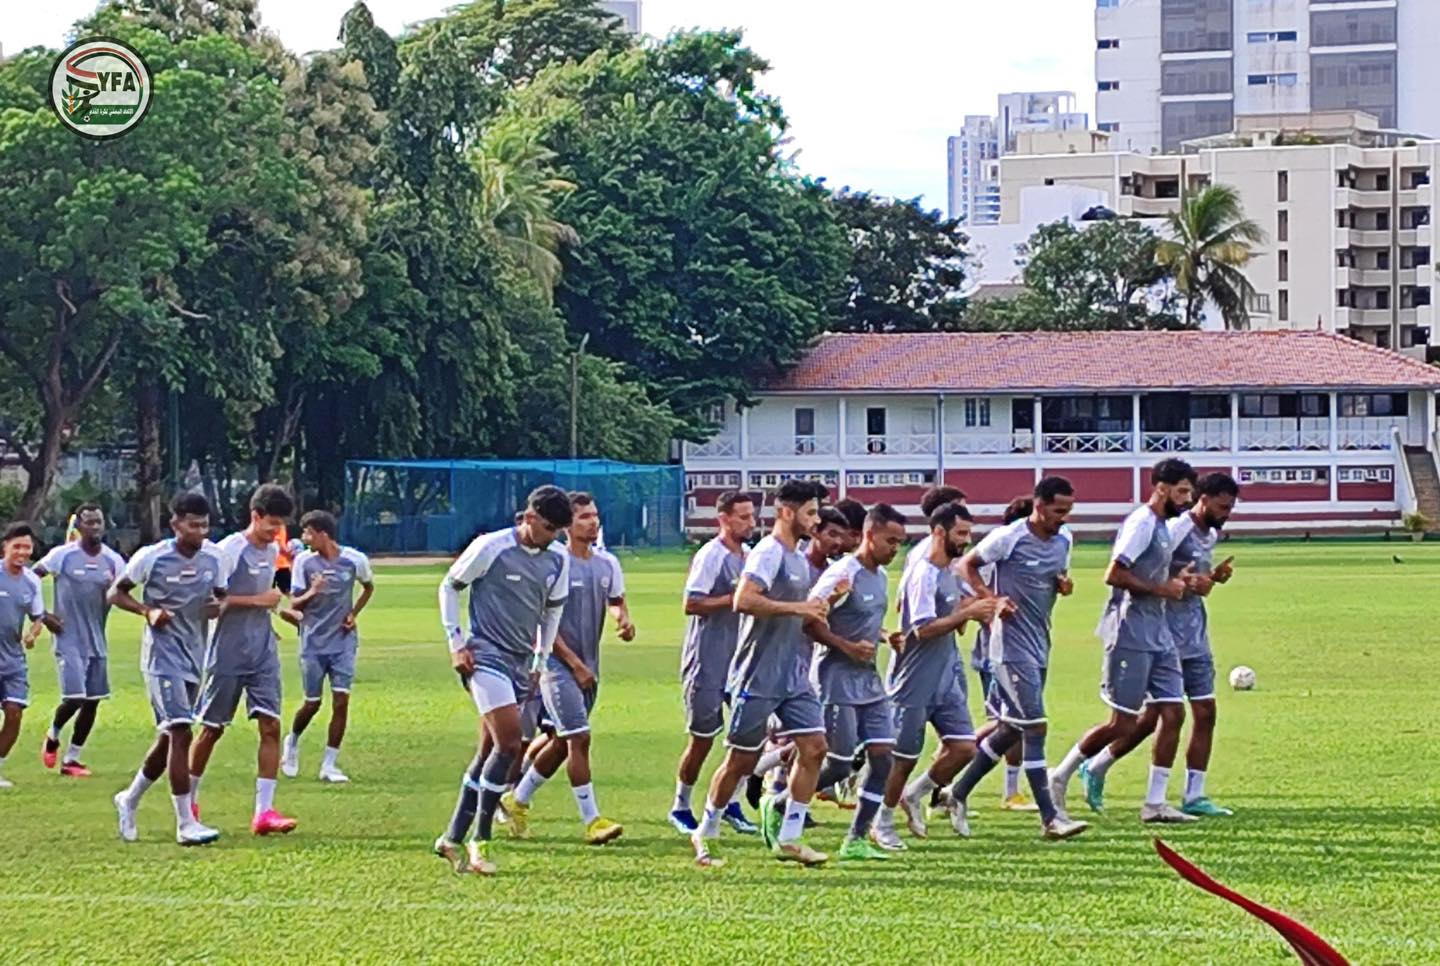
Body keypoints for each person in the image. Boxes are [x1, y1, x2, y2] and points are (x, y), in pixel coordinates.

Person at [1071, 472, 1240, 819]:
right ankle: (1098, 767)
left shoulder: (1209, 532)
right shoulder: (1175, 527)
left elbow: (1191, 581)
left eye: (1231, 508)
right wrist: (1182, 583)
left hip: (1194, 632)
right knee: (1150, 719)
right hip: (1162, 632)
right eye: (1222, 507)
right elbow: (1156, 574)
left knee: (1205, 712)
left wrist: (1209, 581)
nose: (1226, 514)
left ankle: (1194, 794)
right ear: (1202, 499)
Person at [689, 479, 832, 868]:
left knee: (815, 747)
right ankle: (706, 830)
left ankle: (790, 836)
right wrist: (797, 609)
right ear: (787, 512)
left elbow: (799, 612)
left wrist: (819, 608)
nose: (815, 520)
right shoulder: (768, 553)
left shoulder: (800, 559)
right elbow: (743, 600)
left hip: (793, 677)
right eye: (810, 512)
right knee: (740, 762)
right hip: (757, 675)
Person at [1049, 458, 1199, 824]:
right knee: (1123, 725)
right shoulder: (1142, 523)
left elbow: (1153, 574)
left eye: (1190, 491)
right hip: (1129, 632)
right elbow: (1114, 573)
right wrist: (1160, 587)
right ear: (1161, 487)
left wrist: (1179, 580)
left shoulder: (1164, 526)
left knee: (1174, 711)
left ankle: (1155, 803)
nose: (1188, 498)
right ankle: (1060, 775)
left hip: (1158, 632)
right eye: (1182, 490)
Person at [434, 485, 572, 876]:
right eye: (547, 528)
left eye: (558, 531)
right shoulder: (491, 547)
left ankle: (450, 838)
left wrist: (540, 662)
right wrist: (456, 642)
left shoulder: (557, 559)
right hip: (484, 654)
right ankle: (481, 841)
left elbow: (552, 613)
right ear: (529, 519)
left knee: (488, 754)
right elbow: (450, 586)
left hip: (519, 662)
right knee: (510, 742)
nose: (553, 537)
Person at [947, 477, 1089, 840]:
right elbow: (965, 565)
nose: (1064, 518)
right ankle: (1051, 819)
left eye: (1068, 511)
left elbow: (1056, 574)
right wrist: (990, 599)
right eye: (1059, 511)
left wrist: (1063, 583)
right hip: (1007, 646)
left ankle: (957, 794)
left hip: (1040, 641)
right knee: (1035, 727)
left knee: (1009, 729)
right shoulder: (1009, 537)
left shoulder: (1064, 539)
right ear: (1039, 506)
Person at [503, 493, 634, 844]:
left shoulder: (607, 563)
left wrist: (623, 620)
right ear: (567, 526)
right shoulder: (555, 562)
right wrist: (574, 664)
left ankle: (516, 800)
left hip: (589, 667)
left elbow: (616, 601)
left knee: (562, 742)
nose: (593, 522)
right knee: (580, 737)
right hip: (557, 666)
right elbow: (544, 622)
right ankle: (592, 821)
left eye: (595, 515)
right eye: (584, 517)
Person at [875, 502, 1000, 847]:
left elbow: (956, 608)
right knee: (901, 758)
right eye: (961, 533)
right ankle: (881, 822)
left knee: (963, 747)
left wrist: (976, 610)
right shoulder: (923, 572)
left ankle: (915, 794)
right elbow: (923, 628)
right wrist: (969, 613)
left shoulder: (948, 571)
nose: (966, 540)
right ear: (939, 532)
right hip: (913, 680)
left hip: (944, 676)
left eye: (968, 533)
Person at [109, 493, 229, 845]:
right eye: (193, 524)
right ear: (175, 523)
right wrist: (149, 611)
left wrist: (215, 607)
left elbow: (220, 596)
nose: (200, 531)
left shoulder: (215, 557)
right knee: (181, 731)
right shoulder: (152, 557)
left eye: (205, 525)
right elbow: (116, 594)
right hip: (161, 658)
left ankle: (128, 798)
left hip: (195, 655)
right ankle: (185, 823)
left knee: (169, 738)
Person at [187, 485, 297, 836]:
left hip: (262, 648)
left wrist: (272, 608)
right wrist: (257, 601)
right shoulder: (229, 551)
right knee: (211, 728)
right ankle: (187, 800)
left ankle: (264, 812)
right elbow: (212, 602)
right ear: (255, 516)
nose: (274, 532)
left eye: (280, 526)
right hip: (227, 650)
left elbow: (275, 590)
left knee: (271, 724)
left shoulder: (275, 549)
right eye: (270, 525)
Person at [802, 503, 907, 861]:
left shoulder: (879, 577)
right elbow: (809, 620)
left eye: (899, 542)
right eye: (890, 541)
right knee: (840, 765)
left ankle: (857, 838)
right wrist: (846, 646)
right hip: (835, 678)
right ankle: (782, 800)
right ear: (869, 534)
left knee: (883, 759)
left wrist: (883, 636)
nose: (895, 549)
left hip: (868, 680)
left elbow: (859, 619)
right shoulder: (842, 574)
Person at [669, 490, 758, 834]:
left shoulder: (750, 556)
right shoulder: (711, 556)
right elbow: (692, 604)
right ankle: (680, 805)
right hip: (707, 660)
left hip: (740, 663)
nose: (750, 523)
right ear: (723, 519)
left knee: (749, 739)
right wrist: (734, 599)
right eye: (743, 517)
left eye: (752, 516)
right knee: (702, 739)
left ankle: (730, 802)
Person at [280, 510, 375, 784]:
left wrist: (353, 614)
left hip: (343, 640)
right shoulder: (304, 562)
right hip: (313, 641)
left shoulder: (354, 560)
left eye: (308, 533)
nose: (304, 538)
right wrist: (313, 591)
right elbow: (294, 603)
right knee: (312, 702)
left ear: (323, 534)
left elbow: (368, 587)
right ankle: (293, 742)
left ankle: (329, 765)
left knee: (342, 700)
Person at [34, 504, 125, 777]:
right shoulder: (62, 556)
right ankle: (53, 734)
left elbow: (124, 589)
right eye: (89, 522)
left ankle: (72, 758)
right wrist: (42, 614)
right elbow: (31, 577)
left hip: (97, 639)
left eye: (99, 522)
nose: (95, 527)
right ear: (78, 527)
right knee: (74, 697)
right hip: (68, 638)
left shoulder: (113, 560)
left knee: (93, 700)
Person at [0, 523, 60, 787]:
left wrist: (33, 634)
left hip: (13, 659)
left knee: (14, 713)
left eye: (27, 547)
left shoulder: (31, 581)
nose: (22, 552)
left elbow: (38, 616)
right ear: (5, 548)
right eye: (17, 547)